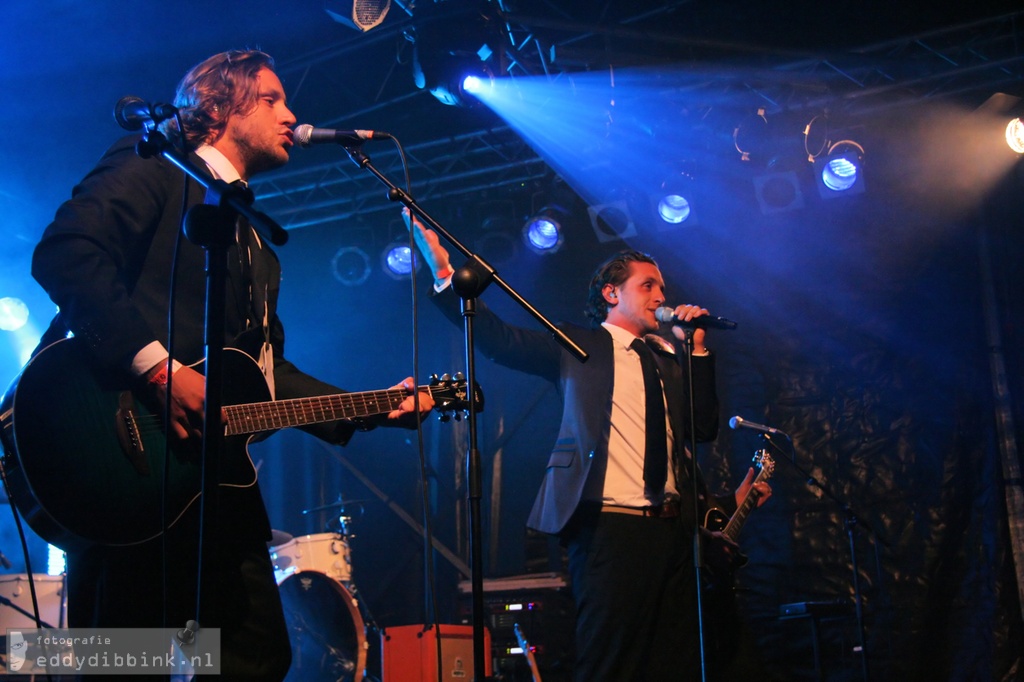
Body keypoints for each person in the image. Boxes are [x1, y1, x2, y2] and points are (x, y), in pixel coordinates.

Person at [30, 50, 433, 680]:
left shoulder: (255, 244)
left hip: (211, 483)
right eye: (271, 99)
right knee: (125, 661)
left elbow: (266, 375)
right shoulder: (156, 168)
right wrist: (158, 370)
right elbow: (66, 254)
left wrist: (375, 404)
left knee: (253, 657)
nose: (291, 115)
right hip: (121, 462)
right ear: (216, 110)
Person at [404, 213, 771, 681]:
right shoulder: (578, 344)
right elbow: (500, 341)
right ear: (611, 293)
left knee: (674, 659)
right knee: (610, 657)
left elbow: (701, 429)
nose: (661, 296)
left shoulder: (667, 356)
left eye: (662, 288)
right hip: (608, 526)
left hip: (673, 530)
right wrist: (444, 277)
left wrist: (697, 350)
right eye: (648, 286)